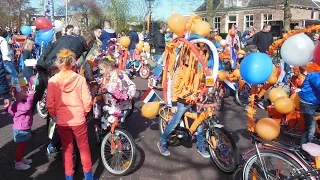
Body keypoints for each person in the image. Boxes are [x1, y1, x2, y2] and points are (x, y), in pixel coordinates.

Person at [46, 49, 97, 180]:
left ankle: (69, 177)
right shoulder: (80, 79)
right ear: (72, 62)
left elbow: (50, 104)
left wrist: (54, 115)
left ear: (59, 63)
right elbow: (87, 100)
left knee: (67, 150)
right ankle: (89, 177)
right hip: (78, 119)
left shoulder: (53, 81)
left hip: (62, 120)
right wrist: (84, 113)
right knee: (84, 148)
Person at [157, 66, 210, 158]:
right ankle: (162, 141)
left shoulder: (198, 68)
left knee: (200, 122)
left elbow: (202, 81)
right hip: (182, 102)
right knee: (174, 123)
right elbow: (175, 86)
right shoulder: (181, 69)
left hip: (195, 100)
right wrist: (174, 103)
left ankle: (201, 146)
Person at [7, 87, 34, 170]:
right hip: (21, 129)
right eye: (23, 91)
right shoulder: (19, 104)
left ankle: (20, 159)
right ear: (17, 95)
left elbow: (10, 110)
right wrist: (31, 96)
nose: (25, 92)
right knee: (21, 146)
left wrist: (8, 106)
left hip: (22, 128)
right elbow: (28, 107)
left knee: (23, 145)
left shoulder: (19, 103)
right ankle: (18, 163)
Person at [299, 65, 320, 145]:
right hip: (308, 103)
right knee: (310, 129)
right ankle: (305, 147)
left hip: (315, 102)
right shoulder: (314, 74)